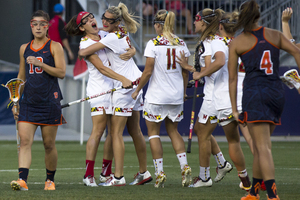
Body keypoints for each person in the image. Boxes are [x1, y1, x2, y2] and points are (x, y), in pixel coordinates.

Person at [228, 0, 300, 199]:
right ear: (259, 15)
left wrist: (235, 109)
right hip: (276, 94)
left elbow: (232, 78)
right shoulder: (275, 34)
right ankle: (254, 192)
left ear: (242, 17)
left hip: (255, 94)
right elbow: (297, 51)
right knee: (261, 146)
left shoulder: (237, 42)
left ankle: (272, 195)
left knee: (262, 147)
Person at [78, 3, 152, 186]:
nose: (101, 21)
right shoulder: (115, 32)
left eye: (107, 20)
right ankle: (143, 172)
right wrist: (133, 50)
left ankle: (117, 177)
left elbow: (83, 52)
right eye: (101, 18)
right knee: (134, 131)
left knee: (116, 133)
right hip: (132, 83)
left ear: (116, 22)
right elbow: (94, 56)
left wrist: (131, 54)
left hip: (123, 87)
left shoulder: (107, 36)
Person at [177, 8, 251, 189]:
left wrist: (197, 74)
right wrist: (194, 69)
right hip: (237, 93)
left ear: (206, 22)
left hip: (219, 96)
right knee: (205, 131)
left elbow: (214, 64)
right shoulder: (234, 41)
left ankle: (206, 177)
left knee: (208, 134)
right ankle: (238, 175)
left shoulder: (212, 40)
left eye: (197, 19)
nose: (194, 22)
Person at [65, 11, 136, 186]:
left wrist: (133, 50)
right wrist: (123, 79)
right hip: (99, 91)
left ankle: (106, 173)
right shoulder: (86, 43)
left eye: (92, 18)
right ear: (82, 27)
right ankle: (88, 175)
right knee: (97, 132)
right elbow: (102, 69)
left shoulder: (104, 34)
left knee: (113, 133)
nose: (92, 21)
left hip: (114, 90)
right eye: (86, 20)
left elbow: (125, 41)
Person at [131, 9, 191, 188]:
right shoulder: (181, 43)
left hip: (156, 96)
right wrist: (183, 92)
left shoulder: (153, 43)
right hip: (175, 97)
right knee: (174, 132)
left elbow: (148, 71)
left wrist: (137, 90)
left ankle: (160, 173)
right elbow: (185, 71)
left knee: (153, 134)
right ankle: (185, 166)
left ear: (158, 25)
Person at [10, 10, 66, 191]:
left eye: (42, 24)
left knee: (48, 144)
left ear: (47, 26)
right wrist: (16, 100)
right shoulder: (24, 48)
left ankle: (49, 180)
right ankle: (22, 180)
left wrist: (41, 64)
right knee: (25, 141)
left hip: (49, 101)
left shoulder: (54, 46)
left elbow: (62, 73)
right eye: (35, 24)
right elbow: (21, 76)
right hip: (29, 102)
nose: (38, 27)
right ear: (31, 26)